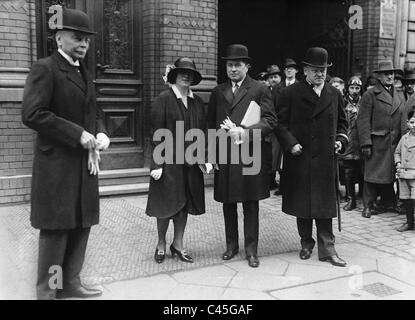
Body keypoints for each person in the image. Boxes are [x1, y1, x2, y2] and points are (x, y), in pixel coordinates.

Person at [21, 8, 110, 300]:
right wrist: (77, 134)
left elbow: (89, 110)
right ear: (59, 38)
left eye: (86, 40)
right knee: (57, 229)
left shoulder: (82, 70)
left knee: (81, 223)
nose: (84, 44)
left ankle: (69, 283)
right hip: (57, 166)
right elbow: (33, 114)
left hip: (84, 163)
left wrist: (98, 132)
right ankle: (49, 292)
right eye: (77, 38)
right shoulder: (45, 68)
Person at [275, 47, 348, 267]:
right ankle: (306, 242)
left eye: (323, 70)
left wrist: (341, 141)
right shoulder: (289, 93)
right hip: (300, 157)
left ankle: (328, 249)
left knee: (324, 206)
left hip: (325, 159)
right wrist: (290, 143)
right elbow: (279, 123)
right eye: (315, 69)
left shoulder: (334, 94)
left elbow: (344, 124)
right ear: (305, 70)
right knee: (303, 204)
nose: (320, 74)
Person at [208, 44, 277, 268]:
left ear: (247, 66)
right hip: (226, 154)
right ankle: (231, 246)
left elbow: (270, 121)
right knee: (228, 202)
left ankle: (251, 250)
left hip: (250, 153)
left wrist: (246, 132)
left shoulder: (259, 89)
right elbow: (210, 125)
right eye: (230, 65)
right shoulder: (218, 91)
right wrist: (211, 154)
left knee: (250, 203)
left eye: (238, 65)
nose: (233, 69)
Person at [146, 57, 209, 264]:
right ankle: (161, 243)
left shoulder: (197, 102)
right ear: (174, 75)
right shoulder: (163, 99)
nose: (186, 76)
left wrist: (205, 158)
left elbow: (203, 132)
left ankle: (178, 244)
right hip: (168, 162)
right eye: (182, 72)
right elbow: (156, 133)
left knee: (184, 205)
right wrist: (156, 164)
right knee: (165, 206)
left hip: (190, 163)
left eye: (190, 73)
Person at [357, 60, 406, 218]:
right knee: (372, 176)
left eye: (391, 73)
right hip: (377, 142)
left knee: (390, 175)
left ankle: (388, 202)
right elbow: (363, 121)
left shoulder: (399, 94)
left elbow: (403, 118)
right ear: (379, 76)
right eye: (386, 73)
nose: (390, 76)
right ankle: (368, 206)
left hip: (394, 143)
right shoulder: (370, 94)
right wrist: (365, 143)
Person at [271, 58, 300, 195]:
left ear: (296, 71)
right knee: (280, 158)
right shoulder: (277, 88)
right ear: (284, 71)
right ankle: (282, 186)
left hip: (296, 126)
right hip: (281, 127)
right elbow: (273, 107)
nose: (289, 70)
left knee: (294, 156)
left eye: (292, 68)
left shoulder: (301, 86)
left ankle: (292, 187)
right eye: (287, 68)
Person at [339, 76, 364, 211]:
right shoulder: (342, 102)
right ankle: (350, 199)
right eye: (352, 88)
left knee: (363, 170)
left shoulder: (364, 102)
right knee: (348, 171)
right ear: (347, 89)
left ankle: (364, 197)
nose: (354, 91)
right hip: (348, 141)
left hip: (360, 141)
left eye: (357, 88)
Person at [395, 110, 415, 232]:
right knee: (406, 200)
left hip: (414, 175)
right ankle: (409, 222)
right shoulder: (404, 138)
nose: (414, 125)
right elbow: (397, 152)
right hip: (403, 174)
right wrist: (398, 163)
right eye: (412, 122)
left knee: (414, 199)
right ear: (407, 123)